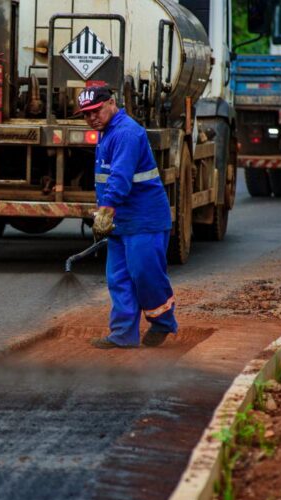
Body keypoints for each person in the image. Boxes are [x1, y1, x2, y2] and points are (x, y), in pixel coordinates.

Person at [77, 85, 178, 349]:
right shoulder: (107, 132)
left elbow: (120, 176)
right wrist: (105, 211)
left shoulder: (126, 133)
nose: (91, 118)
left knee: (145, 273)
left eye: (96, 111)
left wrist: (106, 210)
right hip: (122, 220)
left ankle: (163, 322)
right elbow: (106, 179)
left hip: (144, 219)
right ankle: (123, 334)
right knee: (118, 278)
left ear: (112, 103)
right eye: (86, 114)